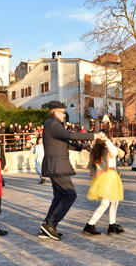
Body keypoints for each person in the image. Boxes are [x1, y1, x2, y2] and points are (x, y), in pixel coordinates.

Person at [38, 101, 103, 241]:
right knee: (70, 195)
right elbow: (69, 135)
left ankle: (48, 226)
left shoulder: (53, 125)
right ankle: (50, 224)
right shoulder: (52, 124)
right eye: (62, 112)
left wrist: (82, 147)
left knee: (59, 196)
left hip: (56, 166)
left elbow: (65, 142)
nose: (64, 115)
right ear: (55, 112)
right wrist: (94, 136)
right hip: (57, 166)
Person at [83, 134, 125, 236]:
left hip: (109, 176)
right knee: (105, 203)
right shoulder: (105, 148)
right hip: (108, 177)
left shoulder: (99, 149)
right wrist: (107, 140)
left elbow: (120, 153)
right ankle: (90, 225)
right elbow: (115, 153)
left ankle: (112, 225)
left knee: (114, 201)